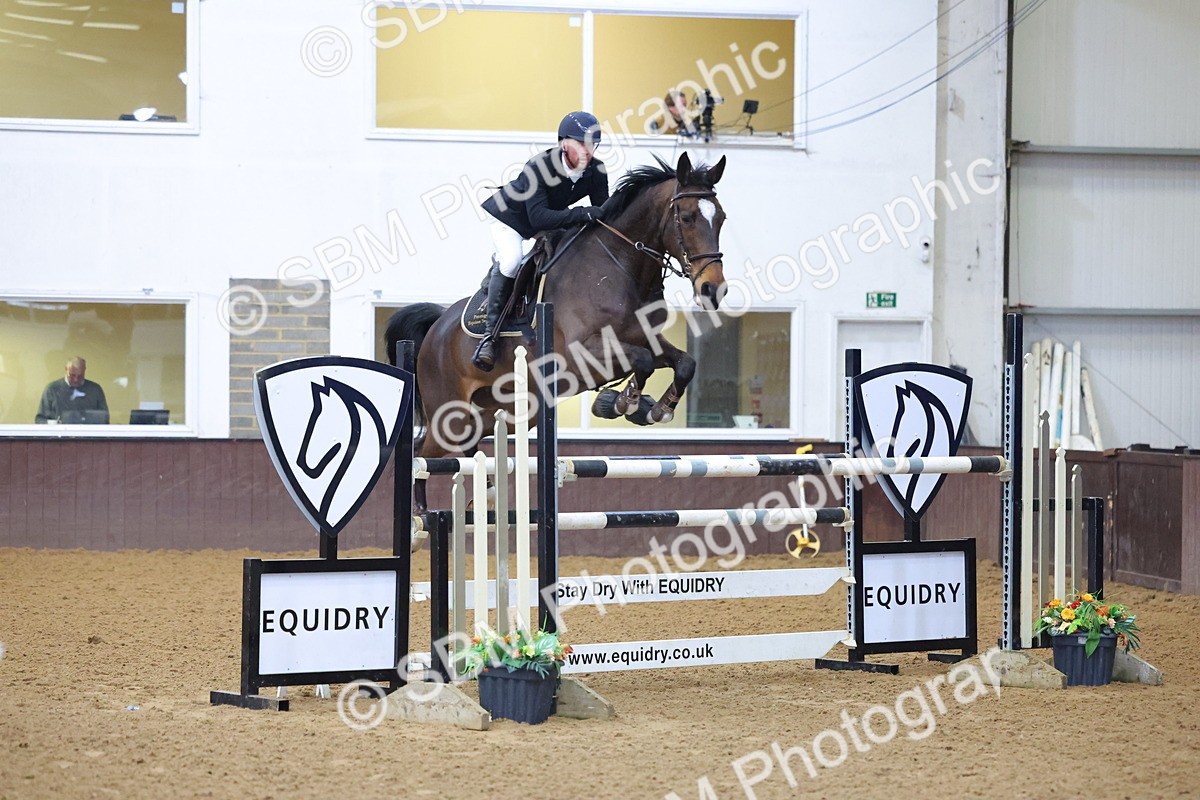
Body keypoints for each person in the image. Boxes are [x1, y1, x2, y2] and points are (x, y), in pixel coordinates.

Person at [472, 111, 610, 371]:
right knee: (512, 262)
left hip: (548, 221)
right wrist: (582, 214)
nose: (587, 151)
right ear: (564, 144)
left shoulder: (596, 171)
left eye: (592, 145)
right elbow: (538, 219)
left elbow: (602, 213)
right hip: (511, 219)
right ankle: (489, 337)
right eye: (581, 144)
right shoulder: (539, 167)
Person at [35, 356, 109, 424]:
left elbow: (105, 419)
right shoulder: (52, 389)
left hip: (88, 436)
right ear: (66, 369)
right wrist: (55, 425)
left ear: (85, 370)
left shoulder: (95, 390)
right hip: (60, 437)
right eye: (72, 375)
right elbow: (40, 420)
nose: (76, 379)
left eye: (80, 376)